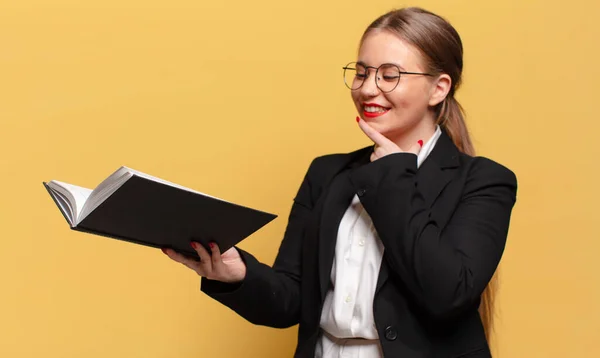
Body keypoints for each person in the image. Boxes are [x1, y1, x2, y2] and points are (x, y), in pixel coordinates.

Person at [162, 6, 518, 358]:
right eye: (362, 73)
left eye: (389, 75)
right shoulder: (326, 173)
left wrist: (393, 173)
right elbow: (292, 300)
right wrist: (237, 273)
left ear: (438, 89)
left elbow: (448, 296)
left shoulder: (485, 181)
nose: (367, 89)